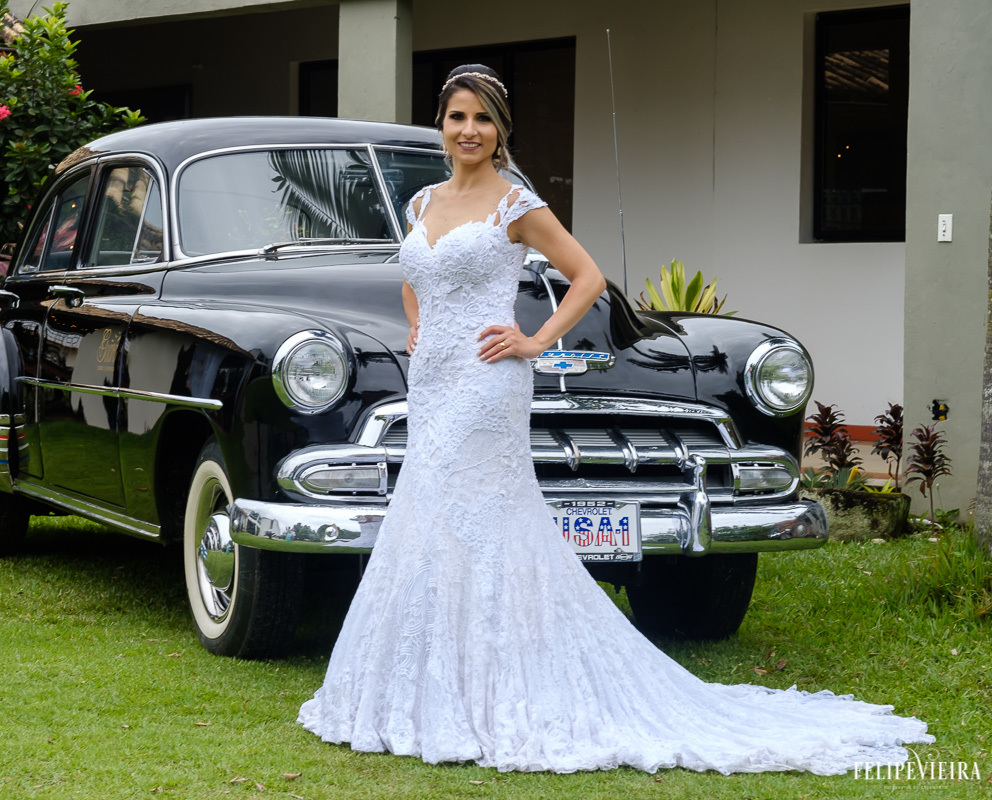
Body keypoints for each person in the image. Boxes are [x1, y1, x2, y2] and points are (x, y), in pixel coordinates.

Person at [298, 64, 933, 774]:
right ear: (441, 126)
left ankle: (498, 688)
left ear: (501, 129)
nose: (468, 131)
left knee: (482, 518)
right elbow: (416, 279)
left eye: (482, 119)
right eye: (456, 118)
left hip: (487, 385)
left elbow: (588, 276)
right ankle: (425, 686)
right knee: (431, 516)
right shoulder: (419, 205)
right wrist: (422, 330)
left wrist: (534, 341)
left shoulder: (515, 205)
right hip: (435, 382)